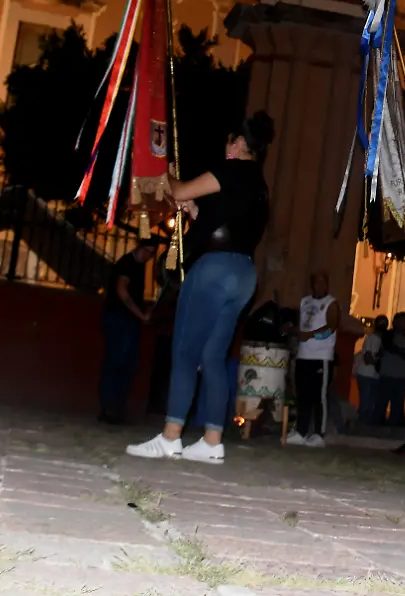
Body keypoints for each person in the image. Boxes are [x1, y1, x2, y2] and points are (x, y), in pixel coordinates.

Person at [127, 112, 275, 465]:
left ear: (238, 143)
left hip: (214, 269)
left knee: (185, 351)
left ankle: (171, 436)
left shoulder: (230, 170)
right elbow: (218, 220)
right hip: (243, 273)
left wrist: (163, 167)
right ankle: (212, 440)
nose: (226, 148)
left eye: (229, 142)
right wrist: (194, 209)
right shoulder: (260, 186)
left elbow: (175, 189)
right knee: (212, 356)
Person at [98, 234, 160, 424]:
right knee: (117, 362)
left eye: (151, 254)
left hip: (126, 320)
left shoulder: (137, 265)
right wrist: (140, 315)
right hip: (119, 319)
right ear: (139, 247)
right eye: (146, 252)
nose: (148, 257)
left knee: (126, 364)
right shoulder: (127, 263)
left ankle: (115, 407)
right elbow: (122, 291)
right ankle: (109, 408)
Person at [290, 271, 339, 447]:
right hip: (303, 355)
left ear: (327, 284)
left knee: (319, 397)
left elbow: (331, 327)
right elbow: (302, 325)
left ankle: (319, 434)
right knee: (302, 395)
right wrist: (295, 331)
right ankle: (301, 431)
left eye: (323, 281)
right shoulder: (305, 301)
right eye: (316, 282)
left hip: (321, 357)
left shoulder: (331, 303)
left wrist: (310, 335)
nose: (319, 285)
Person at [380, 311, 405, 426]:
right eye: (403, 321)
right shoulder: (387, 335)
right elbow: (388, 347)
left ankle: (394, 426)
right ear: (395, 322)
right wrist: (403, 353)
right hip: (387, 374)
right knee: (382, 403)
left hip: (401, 376)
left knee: (398, 405)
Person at [355, 315, 387, 425]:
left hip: (374, 376)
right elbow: (367, 358)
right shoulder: (371, 338)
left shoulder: (382, 341)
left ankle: (366, 425)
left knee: (371, 403)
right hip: (366, 374)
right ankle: (361, 425)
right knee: (366, 402)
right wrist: (378, 363)